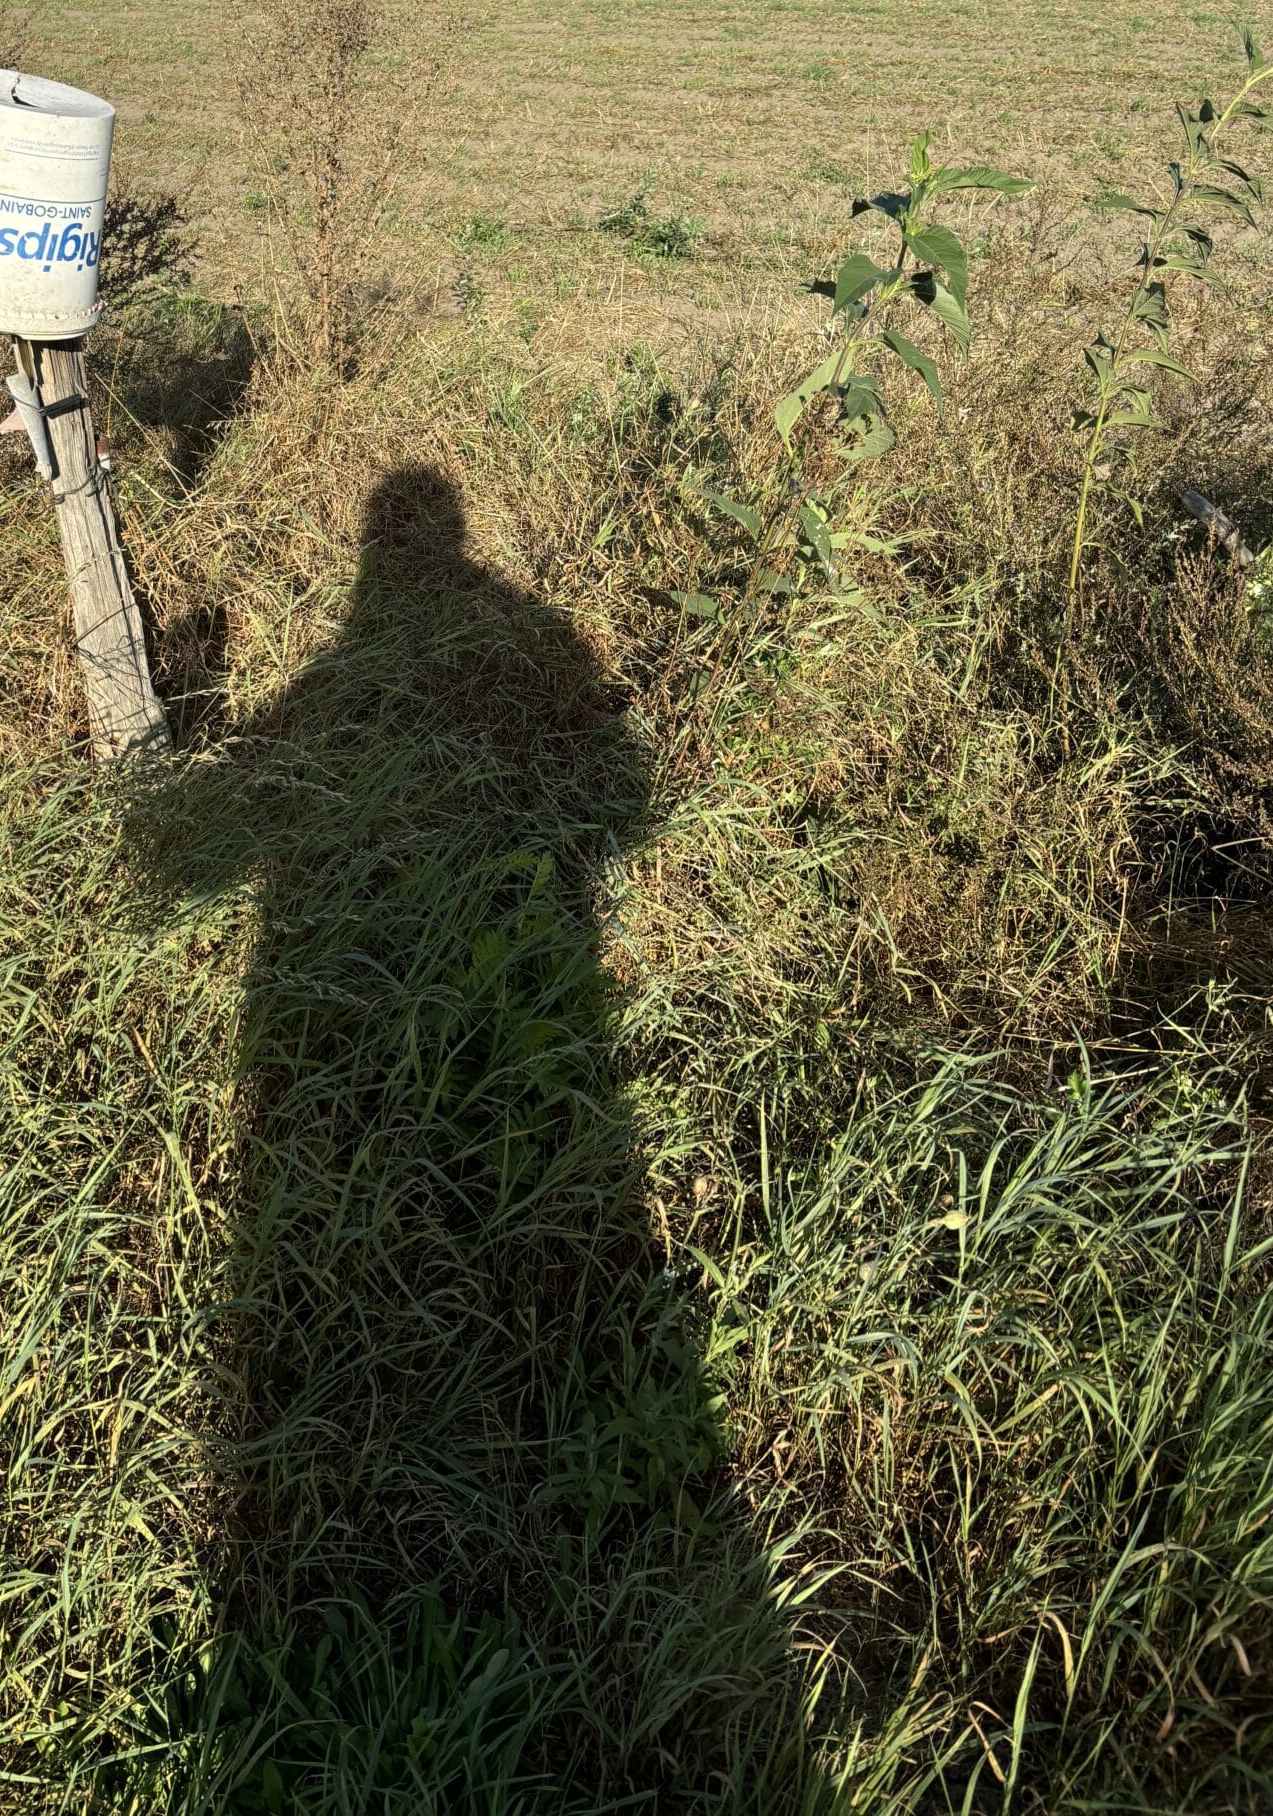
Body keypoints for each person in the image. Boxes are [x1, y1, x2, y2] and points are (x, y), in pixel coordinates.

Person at [133, 464, 809, 1803]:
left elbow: (186, 861)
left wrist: (164, 795)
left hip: (352, 1055)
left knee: (341, 1276)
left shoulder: (344, 681)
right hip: (533, 1020)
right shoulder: (521, 639)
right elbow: (629, 799)